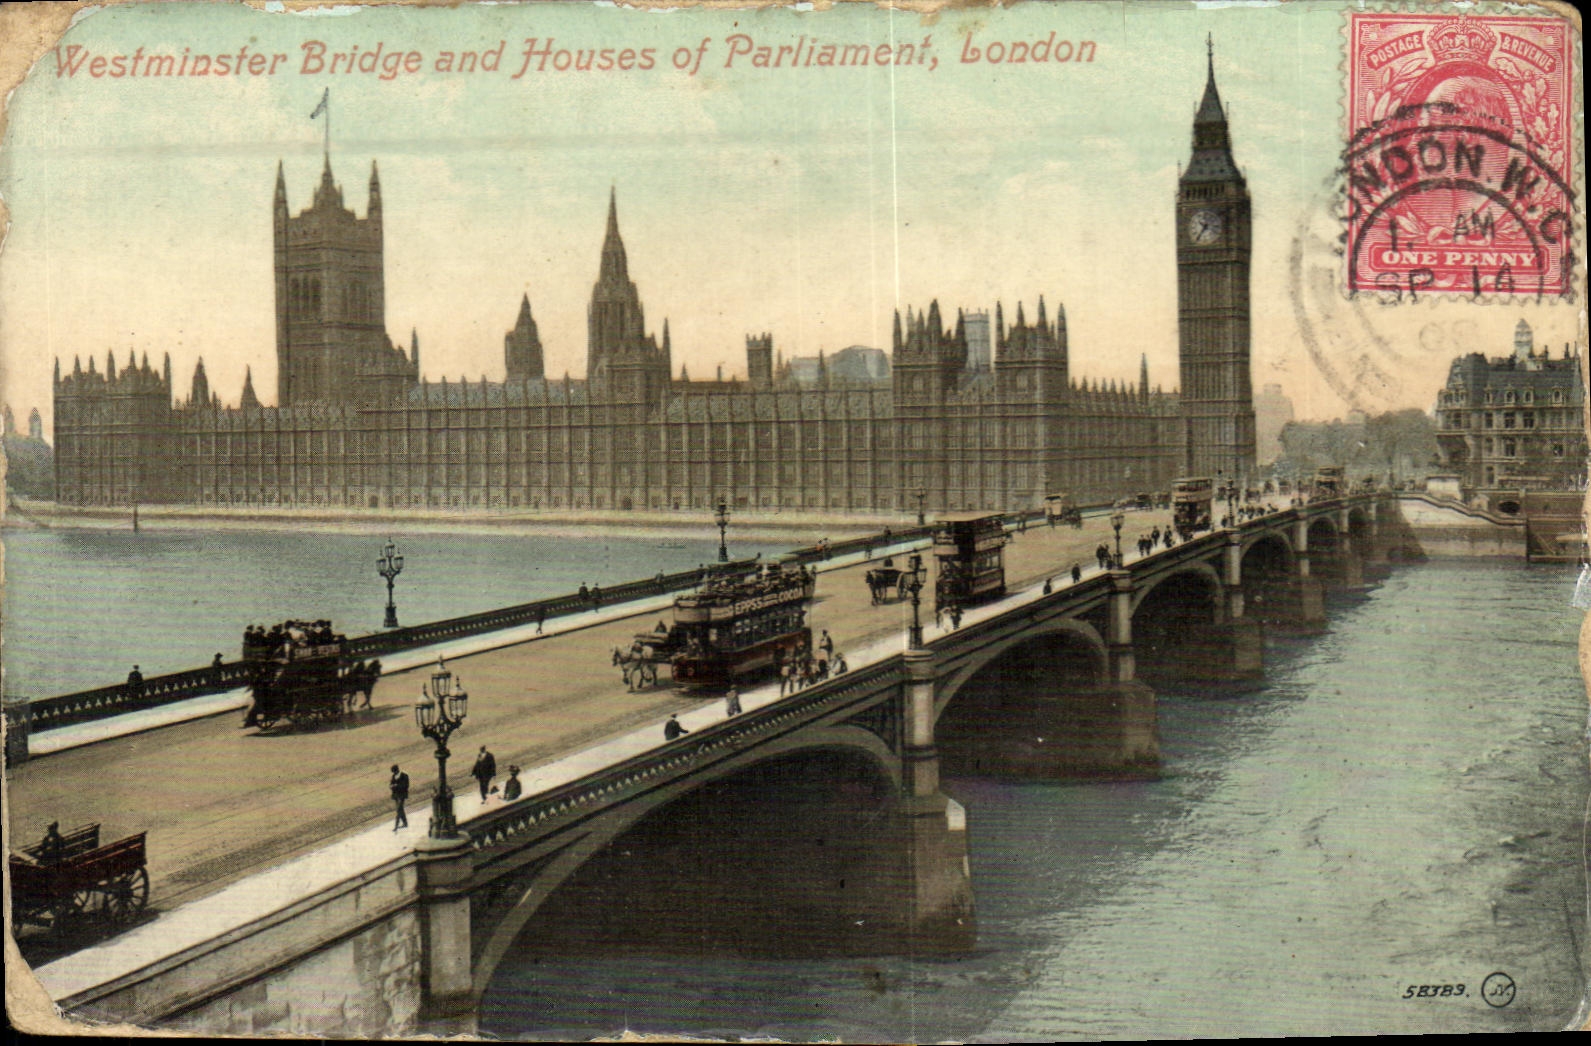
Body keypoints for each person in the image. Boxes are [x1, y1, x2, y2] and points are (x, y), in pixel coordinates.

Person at [390, 765, 410, 831]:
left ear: (397, 770)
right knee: (400, 809)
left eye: (394, 772)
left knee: (399, 810)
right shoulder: (393, 776)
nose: (394, 773)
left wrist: (396, 786)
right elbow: (391, 785)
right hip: (396, 795)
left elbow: (405, 786)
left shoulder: (404, 775)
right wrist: (392, 786)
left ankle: (396, 826)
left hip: (402, 795)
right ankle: (405, 823)